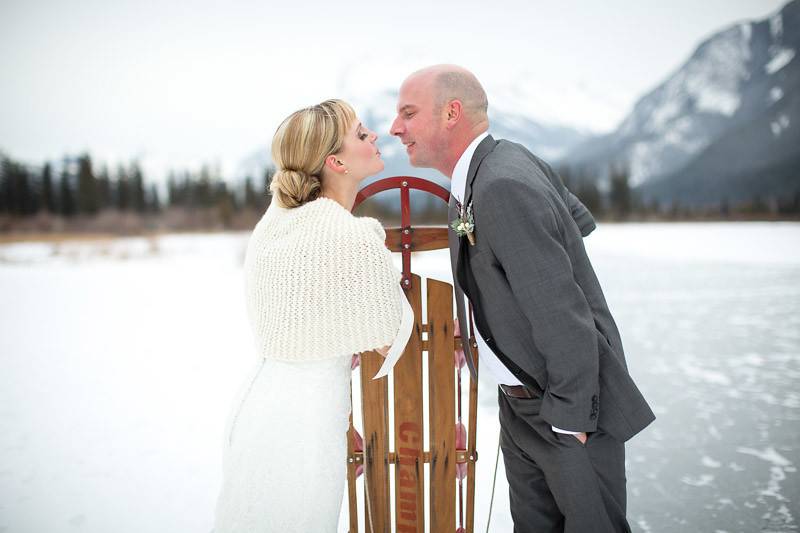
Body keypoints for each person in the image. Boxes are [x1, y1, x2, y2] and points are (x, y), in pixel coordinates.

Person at [390, 65, 656, 533]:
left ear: (452, 113)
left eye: (408, 114)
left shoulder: (500, 185)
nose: (395, 128)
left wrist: (573, 419)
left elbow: (562, 311)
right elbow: (574, 222)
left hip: (566, 413)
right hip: (522, 407)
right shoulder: (499, 165)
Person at [213, 99, 413, 532]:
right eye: (361, 134)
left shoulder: (276, 222)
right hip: (304, 424)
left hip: (257, 407)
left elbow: (307, 320)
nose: (375, 136)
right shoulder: (350, 236)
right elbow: (390, 332)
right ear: (334, 161)